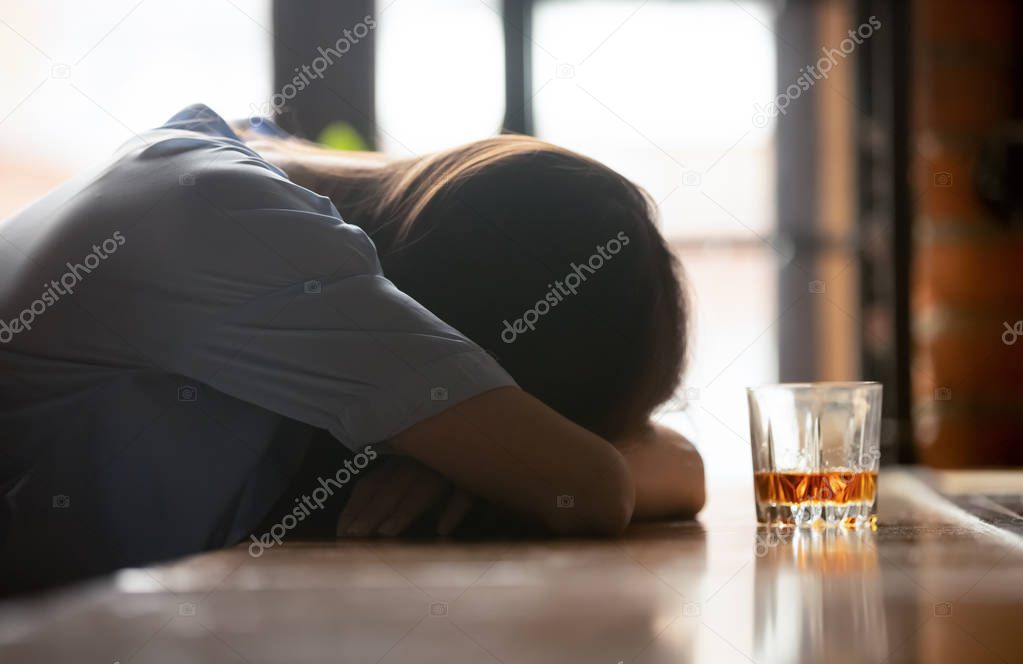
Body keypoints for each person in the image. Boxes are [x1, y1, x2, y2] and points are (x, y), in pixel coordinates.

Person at [0, 104, 703, 592]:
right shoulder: (235, 223)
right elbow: (590, 487)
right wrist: (503, 463)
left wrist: (477, 454)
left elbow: (678, 464)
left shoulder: (215, 173)